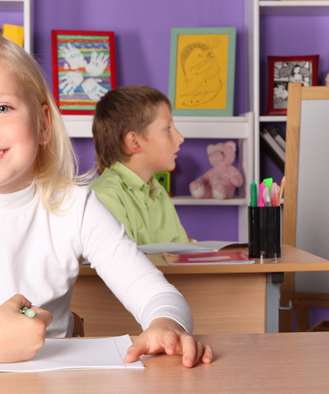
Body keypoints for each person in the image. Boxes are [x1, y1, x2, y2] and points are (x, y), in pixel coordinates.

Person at [0, 36, 212, 367]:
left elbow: (157, 294)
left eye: (3, 108)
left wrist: (165, 325)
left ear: (43, 123)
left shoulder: (74, 205)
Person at [91, 86, 189, 245]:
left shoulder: (157, 191)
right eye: (168, 129)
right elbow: (122, 264)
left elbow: (179, 253)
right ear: (134, 142)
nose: (180, 138)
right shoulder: (105, 197)